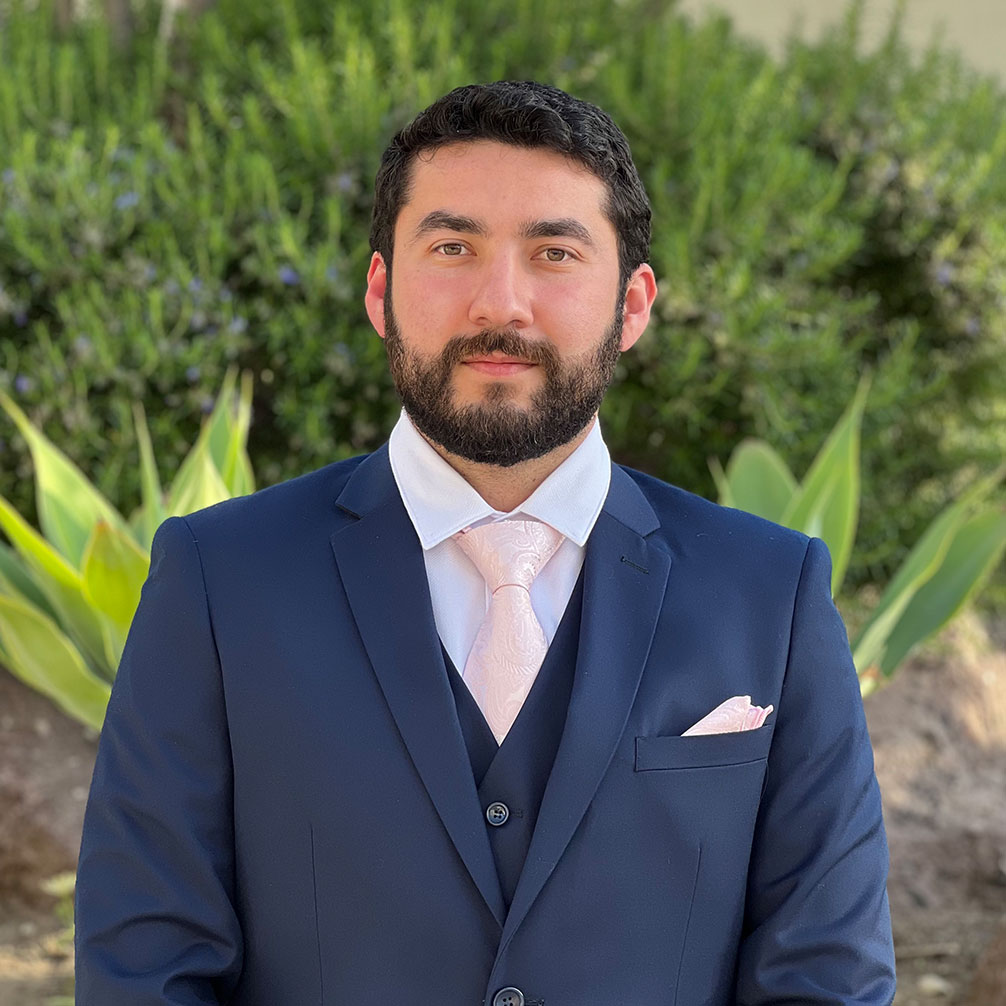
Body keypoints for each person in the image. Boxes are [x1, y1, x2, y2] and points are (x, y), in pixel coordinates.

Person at [75, 81, 896, 1005]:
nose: (499, 304)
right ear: (381, 291)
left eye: (553, 252)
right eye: (453, 247)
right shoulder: (218, 582)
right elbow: (145, 967)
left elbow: (827, 973)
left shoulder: (772, 593)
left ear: (633, 304)